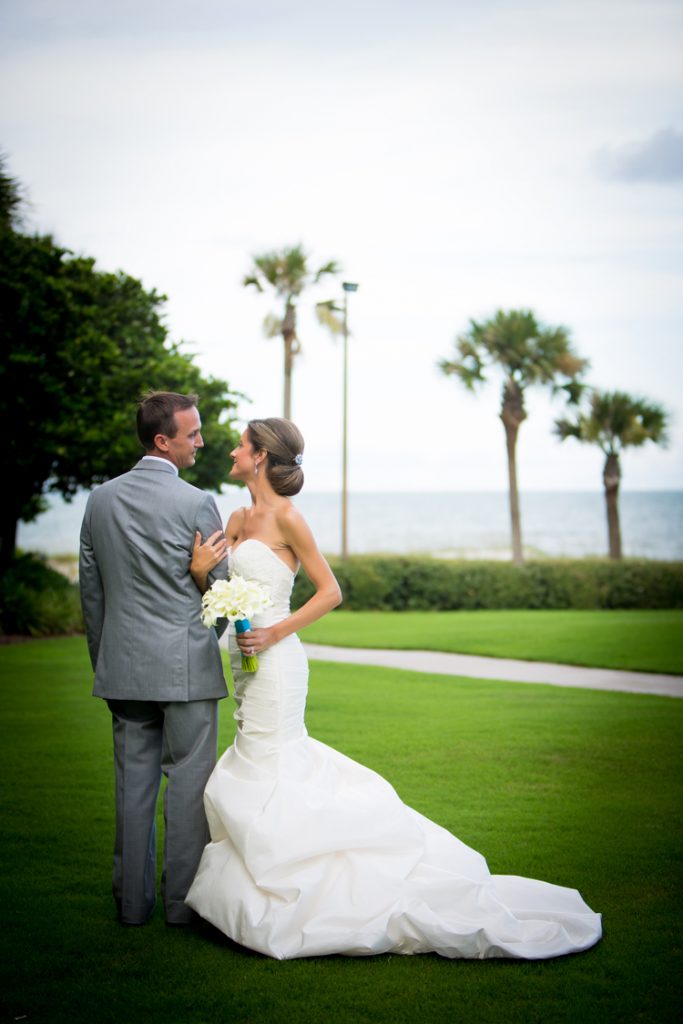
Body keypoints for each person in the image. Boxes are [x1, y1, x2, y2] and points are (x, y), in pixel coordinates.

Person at [185, 417, 602, 960]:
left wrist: (273, 632)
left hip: (280, 662)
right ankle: (260, 889)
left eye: (242, 444)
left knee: (271, 761)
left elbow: (330, 591)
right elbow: (223, 590)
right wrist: (202, 577)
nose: (233, 450)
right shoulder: (237, 517)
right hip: (244, 666)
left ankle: (298, 891)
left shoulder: (289, 518)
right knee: (258, 760)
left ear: (260, 456)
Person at [79, 391, 230, 926]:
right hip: (184, 667)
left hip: (122, 666)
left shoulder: (99, 500)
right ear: (163, 440)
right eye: (193, 434)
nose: (201, 442)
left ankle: (132, 903)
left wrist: (106, 659)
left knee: (132, 788)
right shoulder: (196, 502)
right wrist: (199, 591)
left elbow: (92, 594)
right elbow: (224, 593)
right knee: (189, 787)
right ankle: (182, 906)